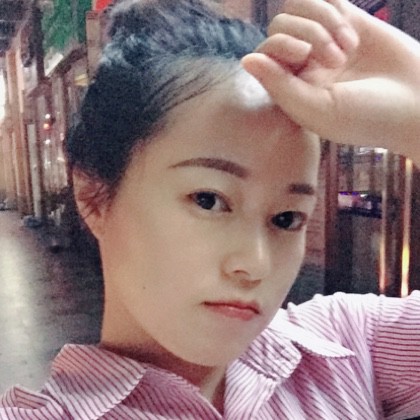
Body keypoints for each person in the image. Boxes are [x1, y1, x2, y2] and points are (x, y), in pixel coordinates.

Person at [1, 0, 420, 418]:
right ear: (94, 194)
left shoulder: (350, 346)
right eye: (209, 200)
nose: (254, 265)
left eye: (286, 218)